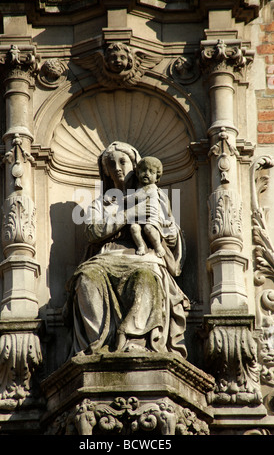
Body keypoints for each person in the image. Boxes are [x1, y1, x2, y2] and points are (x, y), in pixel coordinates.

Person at [63, 141, 190, 356]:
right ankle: (96, 347)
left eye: (123, 162)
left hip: (144, 258)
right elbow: (93, 232)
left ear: (135, 165)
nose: (117, 168)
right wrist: (129, 215)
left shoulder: (154, 195)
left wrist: (164, 228)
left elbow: (171, 235)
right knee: (85, 279)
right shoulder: (101, 204)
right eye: (111, 165)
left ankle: (136, 343)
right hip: (106, 258)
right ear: (105, 171)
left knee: (146, 278)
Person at [128, 156, 173, 258]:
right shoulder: (139, 189)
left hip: (152, 218)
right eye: (143, 170)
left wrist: (168, 218)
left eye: (151, 172)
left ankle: (158, 246)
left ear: (157, 177)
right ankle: (141, 246)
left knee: (149, 229)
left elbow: (167, 206)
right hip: (138, 217)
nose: (146, 174)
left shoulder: (151, 188)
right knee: (134, 228)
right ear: (137, 173)